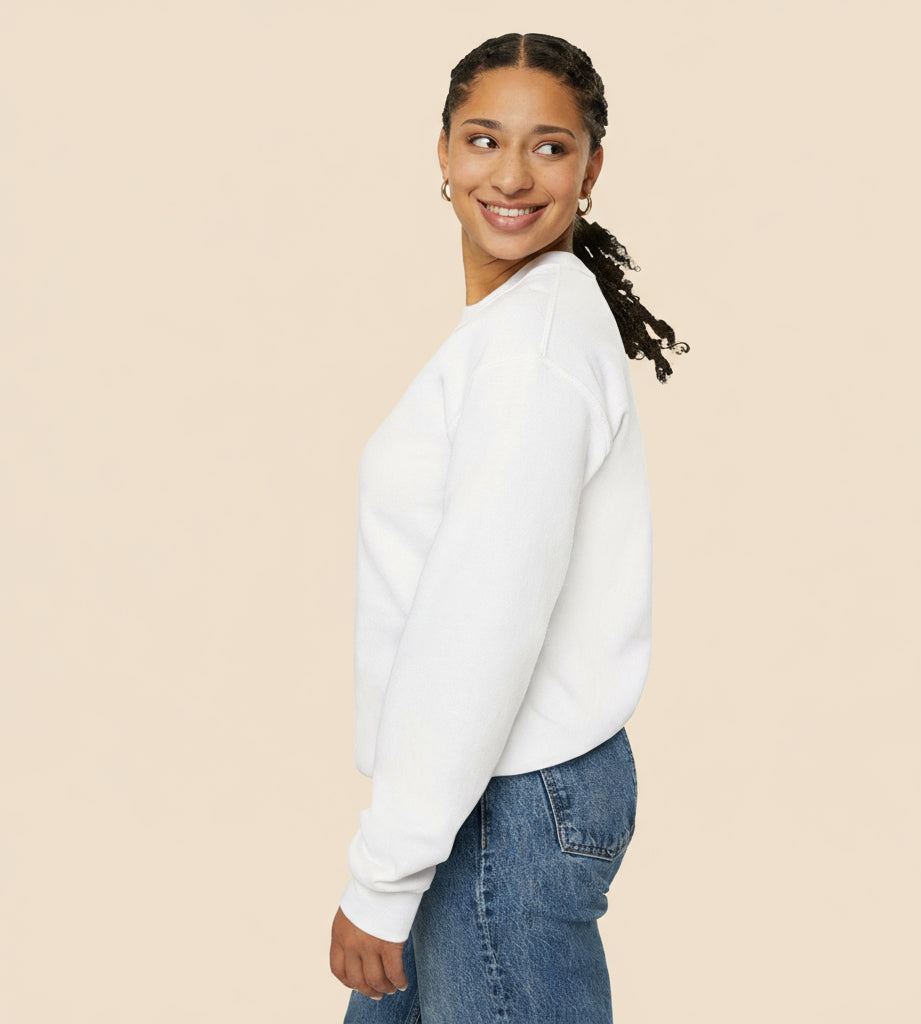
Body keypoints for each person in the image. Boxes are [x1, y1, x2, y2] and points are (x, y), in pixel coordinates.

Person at [329, 31, 687, 1023]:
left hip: (505, 806)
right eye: (484, 140)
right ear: (441, 153)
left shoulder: (532, 347)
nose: (512, 175)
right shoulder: (518, 325)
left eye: (550, 146)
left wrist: (384, 876)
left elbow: (479, 620)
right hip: (479, 796)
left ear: (591, 168)